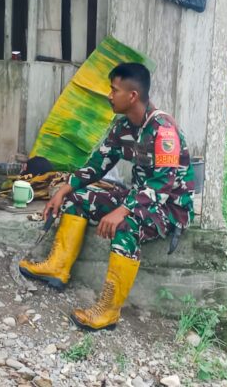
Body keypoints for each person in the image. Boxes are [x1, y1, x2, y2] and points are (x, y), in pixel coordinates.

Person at [19, 62, 195, 331]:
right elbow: (98, 163)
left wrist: (123, 210)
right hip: (140, 197)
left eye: (114, 90)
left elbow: (161, 187)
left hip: (170, 207)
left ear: (132, 96)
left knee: (126, 226)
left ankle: (108, 311)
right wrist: (64, 189)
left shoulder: (163, 130)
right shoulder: (123, 126)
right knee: (79, 199)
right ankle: (57, 268)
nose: (109, 95)